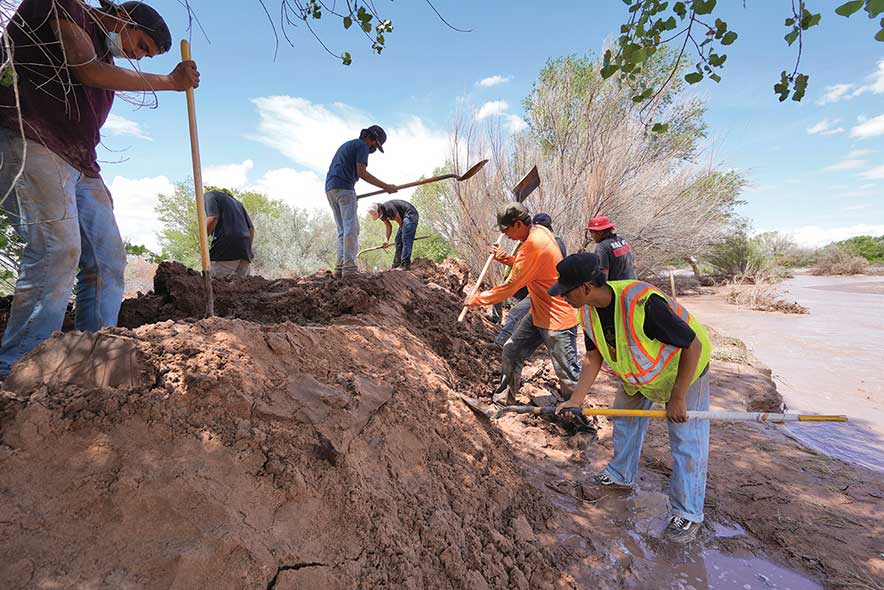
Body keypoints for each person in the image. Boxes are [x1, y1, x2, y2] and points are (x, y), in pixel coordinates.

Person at [0, 0, 200, 380]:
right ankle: (18, 372)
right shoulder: (63, 6)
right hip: (31, 138)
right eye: (141, 45)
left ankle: (91, 362)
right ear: (123, 18)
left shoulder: (105, 58)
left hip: (80, 162)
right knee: (57, 249)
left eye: (145, 55)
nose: (137, 56)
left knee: (108, 260)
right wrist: (169, 82)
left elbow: (96, 82)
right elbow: (87, 70)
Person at [550, 252, 712, 543]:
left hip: (684, 372)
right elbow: (593, 356)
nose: (562, 296)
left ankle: (688, 513)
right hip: (638, 376)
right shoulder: (586, 311)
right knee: (623, 419)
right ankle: (620, 474)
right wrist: (576, 399)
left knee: (687, 441)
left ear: (586, 287)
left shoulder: (642, 304)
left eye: (566, 291)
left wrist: (678, 397)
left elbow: (693, 346)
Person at [464, 203, 580, 406]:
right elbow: (529, 266)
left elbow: (509, 288)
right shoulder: (539, 231)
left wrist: (475, 299)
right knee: (511, 350)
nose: (505, 234)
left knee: (568, 376)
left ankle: (582, 427)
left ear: (518, 224)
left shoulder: (533, 246)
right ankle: (503, 402)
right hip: (538, 311)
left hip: (558, 317)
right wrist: (503, 258)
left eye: (505, 229)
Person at [325, 126, 397, 278]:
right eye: (375, 146)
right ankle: (349, 269)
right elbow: (361, 172)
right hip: (344, 188)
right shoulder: (362, 146)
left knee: (342, 230)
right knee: (352, 228)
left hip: (331, 188)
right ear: (371, 139)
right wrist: (386, 187)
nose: (374, 149)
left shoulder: (349, 144)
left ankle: (339, 268)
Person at [494, 212, 567, 346]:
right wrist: (502, 257)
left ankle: (501, 343)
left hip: (546, 290)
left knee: (517, 313)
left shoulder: (552, 243)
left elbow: (529, 267)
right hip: (534, 287)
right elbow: (523, 264)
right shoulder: (537, 242)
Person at [205, 190, 254, 278]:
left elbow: (213, 218)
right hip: (245, 253)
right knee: (242, 288)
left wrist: (202, 242)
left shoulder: (209, 195)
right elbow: (251, 229)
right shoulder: (238, 203)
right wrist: (248, 250)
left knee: (216, 285)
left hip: (224, 252)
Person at [368, 199, 419, 270]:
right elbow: (389, 226)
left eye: (377, 214)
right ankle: (396, 264)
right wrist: (386, 240)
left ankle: (405, 264)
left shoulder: (388, 208)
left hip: (410, 214)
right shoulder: (381, 215)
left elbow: (399, 221)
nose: (378, 217)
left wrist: (406, 234)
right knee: (398, 240)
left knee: (406, 238)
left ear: (379, 210)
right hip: (403, 219)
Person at [585, 216, 636, 280]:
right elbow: (634, 265)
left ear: (600, 232)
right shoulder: (622, 240)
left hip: (618, 288)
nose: (592, 236)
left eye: (592, 232)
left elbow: (603, 276)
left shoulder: (602, 247)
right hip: (632, 285)